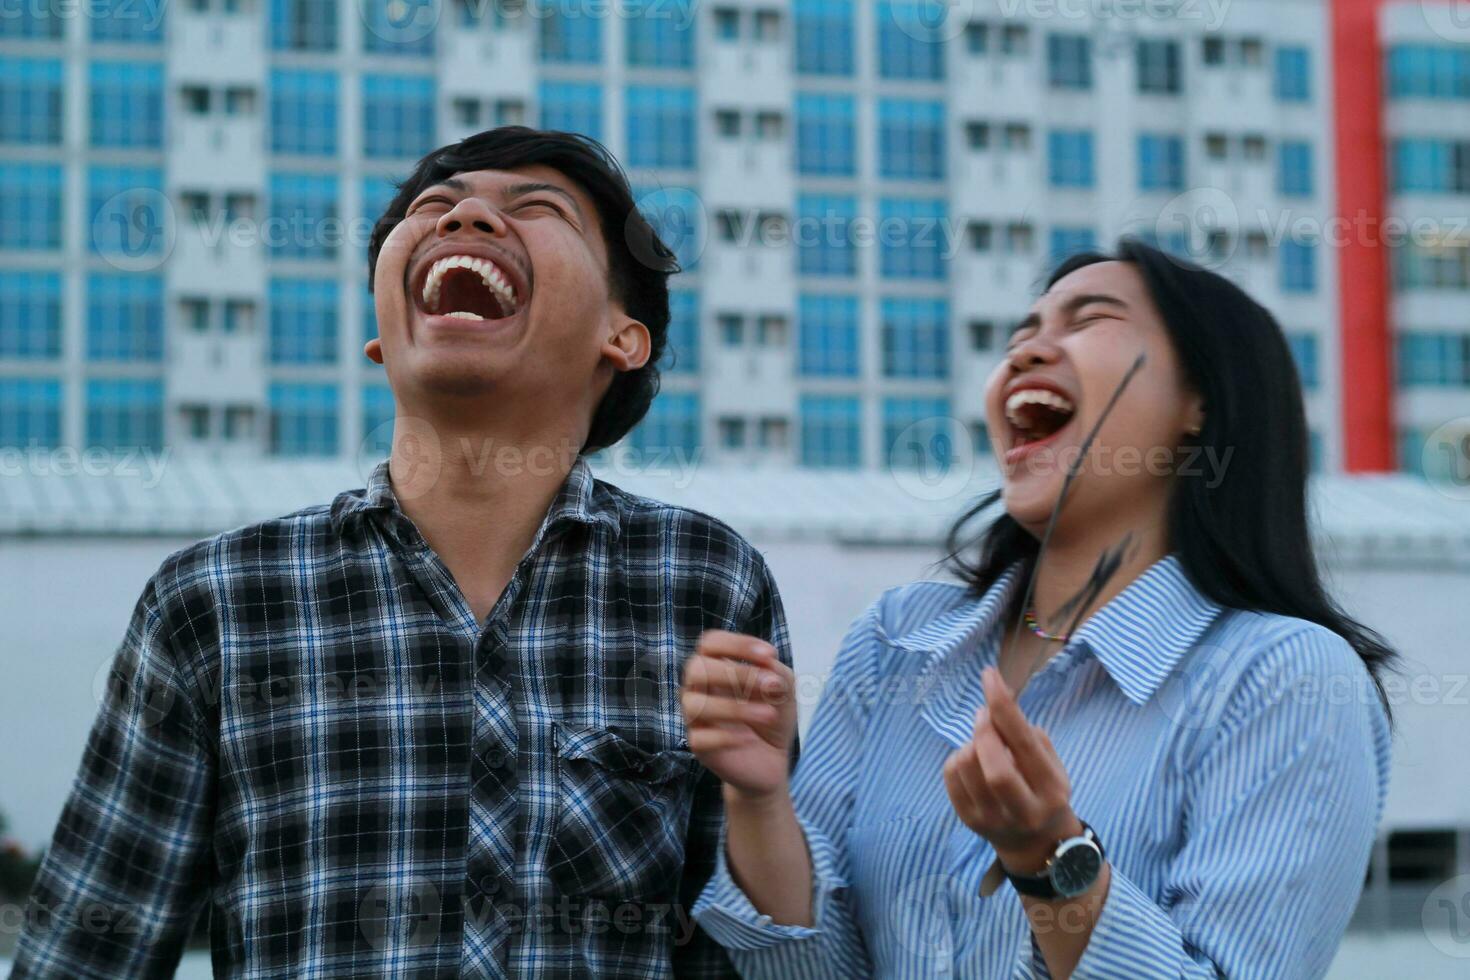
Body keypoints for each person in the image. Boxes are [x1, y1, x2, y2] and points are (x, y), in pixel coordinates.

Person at [12, 128, 790, 979]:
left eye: (536, 210)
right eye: (433, 208)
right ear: (384, 333)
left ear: (622, 336)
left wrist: (762, 801)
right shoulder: (217, 602)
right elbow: (85, 955)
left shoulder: (707, 581)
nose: (468, 217)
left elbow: (757, 952)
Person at [681, 239, 1394, 979]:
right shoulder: (898, 639)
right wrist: (759, 800)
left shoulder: (1284, 676)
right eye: (1019, 336)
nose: (1025, 354)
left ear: (1199, 402)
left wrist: (1051, 857)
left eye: (1088, 320)